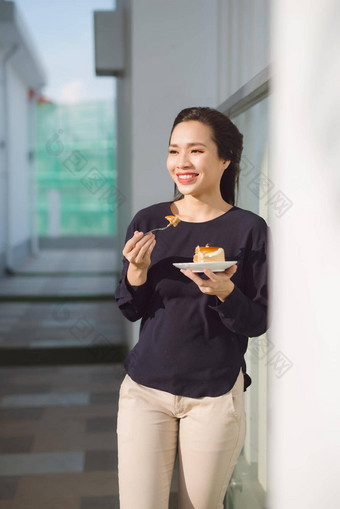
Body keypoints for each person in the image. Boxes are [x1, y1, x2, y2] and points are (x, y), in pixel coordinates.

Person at [114, 106, 270, 508]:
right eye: (174, 150)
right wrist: (136, 271)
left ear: (225, 159)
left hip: (214, 396)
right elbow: (132, 309)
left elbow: (257, 321)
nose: (181, 162)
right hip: (145, 390)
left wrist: (224, 291)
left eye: (196, 151)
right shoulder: (150, 221)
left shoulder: (249, 229)